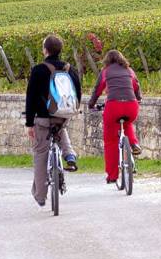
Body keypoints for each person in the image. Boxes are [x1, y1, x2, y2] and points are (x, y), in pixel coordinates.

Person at [24, 34, 81, 208]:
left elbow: (31, 97)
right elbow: (77, 92)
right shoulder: (69, 69)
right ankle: (69, 155)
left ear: (45, 50)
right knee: (60, 129)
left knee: (41, 153)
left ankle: (41, 196)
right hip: (63, 115)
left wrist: (29, 123)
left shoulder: (39, 70)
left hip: (42, 118)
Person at [87, 50, 142, 184]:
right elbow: (136, 86)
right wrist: (138, 99)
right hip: (131, 106)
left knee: (111, 140)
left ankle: (112, 176)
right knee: (127, 123)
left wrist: (91, 104)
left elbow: (97, 89)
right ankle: (134, 143)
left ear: (107, 60)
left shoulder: (106, 71)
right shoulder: (129, 70)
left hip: (113, 107)